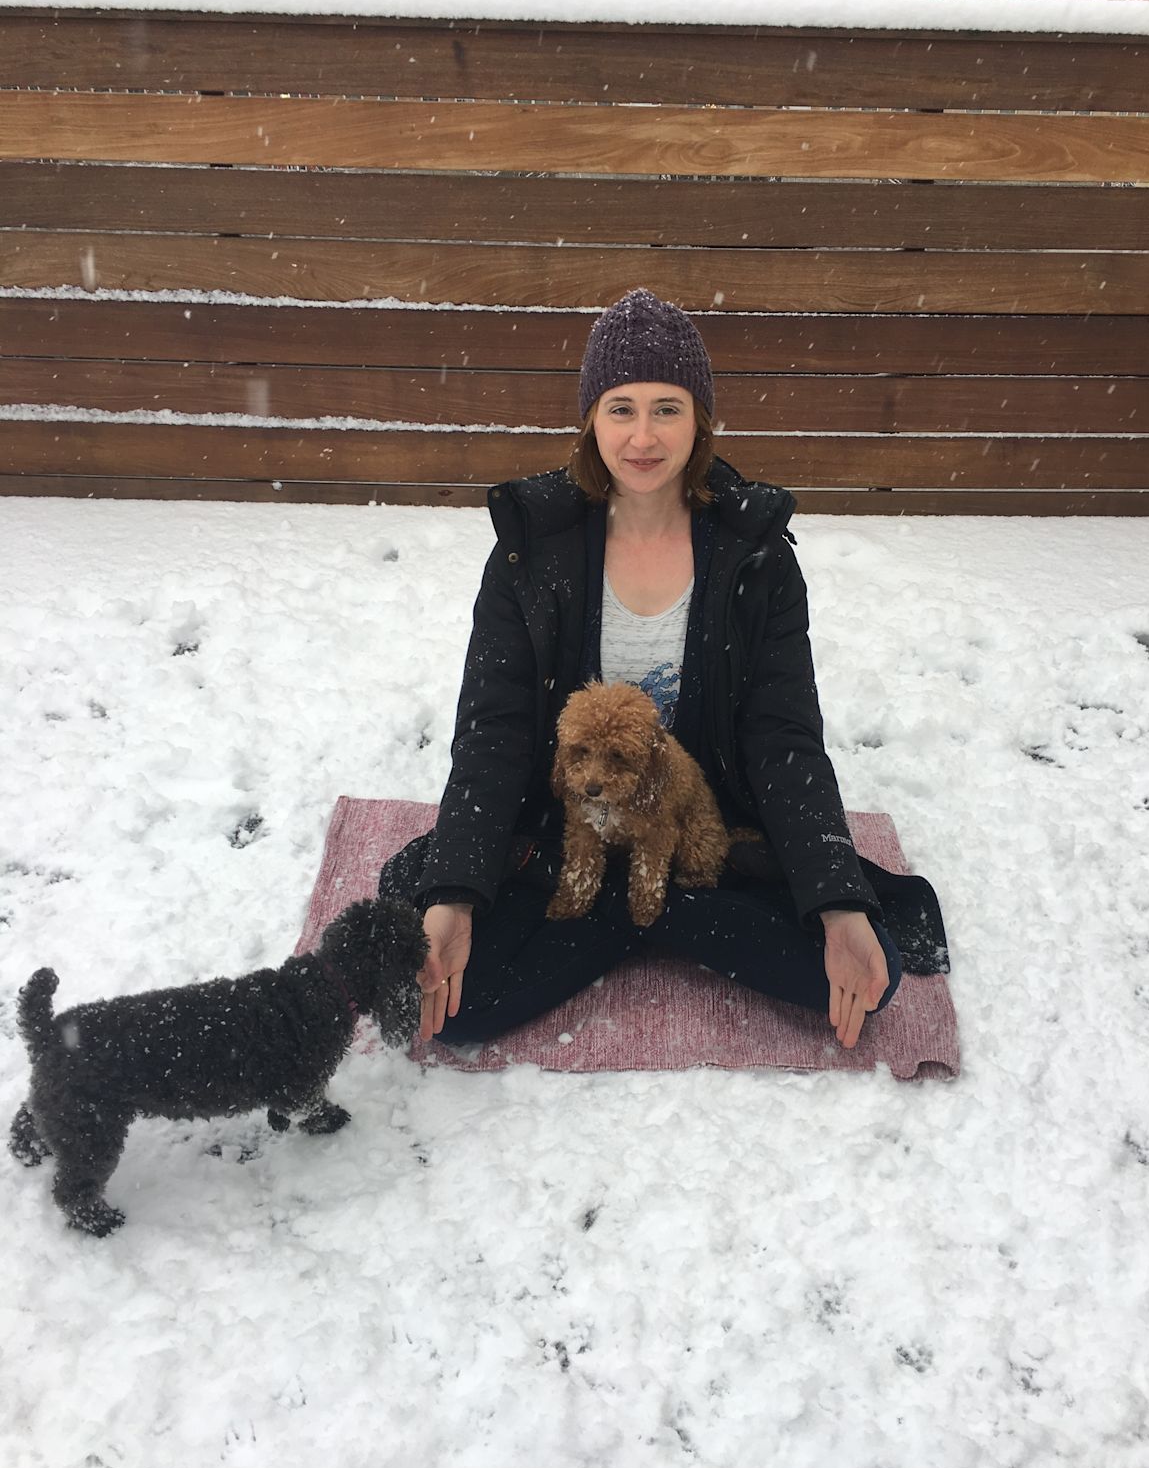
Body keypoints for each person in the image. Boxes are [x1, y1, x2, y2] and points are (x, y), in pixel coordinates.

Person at [380, 289, 947, 1053]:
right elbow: (494, 732)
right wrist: (454, 891)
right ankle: (649, 912)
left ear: (699, 419)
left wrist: (838, 903)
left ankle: (635, 908)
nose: (642, 436)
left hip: (699, 822)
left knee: (858, 978)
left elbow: (784, 739)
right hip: (566, 822)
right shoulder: (532, 550)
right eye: (621, 408)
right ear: (591, 418)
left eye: (667, 408)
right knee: (460, 1006)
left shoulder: (757, 558)